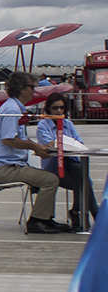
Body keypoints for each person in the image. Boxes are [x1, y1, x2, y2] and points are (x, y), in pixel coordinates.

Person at [0, 71, 68, 234]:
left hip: (11, 165)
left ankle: (46, 218)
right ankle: (37, 221)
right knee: (50, 179)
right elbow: (8, 140)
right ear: (22, 88)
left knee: (48, 176)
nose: (35, 90)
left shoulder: (14, 107)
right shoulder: (12, 111)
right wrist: (34, 147)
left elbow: (17, 138)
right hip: (5, 168)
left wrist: (38, 146)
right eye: (32, 87)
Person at [37, 93, 98, 231]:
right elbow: (49, 145)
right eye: (55, 108)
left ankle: (77, 211)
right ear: (48, 109)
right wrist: (64, 143)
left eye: (62, 108)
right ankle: (89, 212)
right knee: (83, 179)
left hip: (71, 164)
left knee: (79, 172)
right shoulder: (43, 125)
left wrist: (66, 143)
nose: (59, 111)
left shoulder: (68, 124)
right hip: (53, 168)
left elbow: (79, 142)